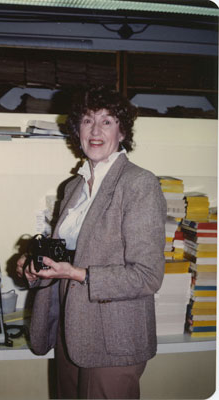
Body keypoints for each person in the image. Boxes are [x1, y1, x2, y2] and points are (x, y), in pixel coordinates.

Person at [16, 85, 167, 399]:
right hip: (69, 330)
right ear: (77, 129)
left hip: (114, 336)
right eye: (87, 120)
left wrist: (75, 274)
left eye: (107, 121)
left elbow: (147, 276)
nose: (95, 130)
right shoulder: (73, 186)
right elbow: (70, 252)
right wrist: (35, 266)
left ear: (122, 131)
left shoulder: (139, 183)